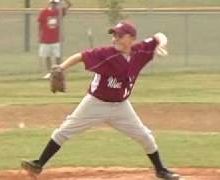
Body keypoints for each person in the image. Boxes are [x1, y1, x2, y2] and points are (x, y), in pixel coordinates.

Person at [22, 21, 181, 180]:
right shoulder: (106, 53)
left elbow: (159, 36)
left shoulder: (140, 51)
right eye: (113, 35)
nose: (115, 38)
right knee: (64, 131)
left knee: (145, 136)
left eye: (119, 35)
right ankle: (38, 164)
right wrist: (61, 68)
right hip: (95, 103)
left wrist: (163, 44)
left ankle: (160, 170)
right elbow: (81, 56)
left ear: (131, 38)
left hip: (121, 106)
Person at [37, 0, 72, 79]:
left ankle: (59, 72)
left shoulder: (59, 12)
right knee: (47, 56)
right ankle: (50, 73)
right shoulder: (44, 12)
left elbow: (69, 5)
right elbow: (40, 25)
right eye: (52, 3)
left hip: (56, 39)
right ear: (50, 3)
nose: (54, 5)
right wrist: (39, 36)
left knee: (58, 57)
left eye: (55, 3)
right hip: (45, 39)